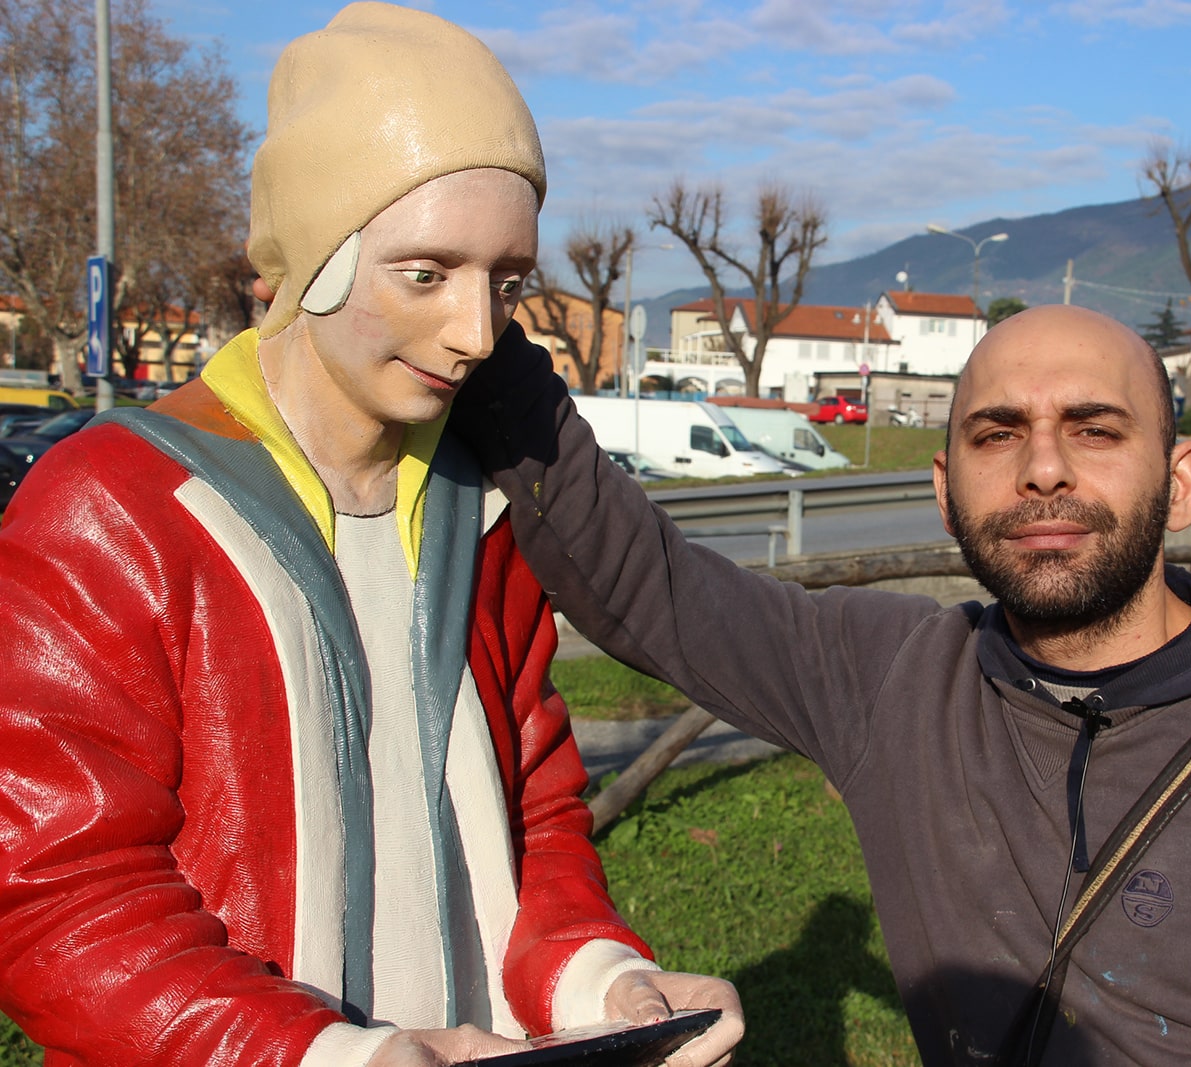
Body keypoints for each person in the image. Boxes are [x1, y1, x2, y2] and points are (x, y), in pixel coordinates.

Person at [452, 304, 1191, 1065]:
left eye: (1094, 429)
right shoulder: (892, 678)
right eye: (1000, 434)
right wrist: (476, 327)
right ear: (945, 491)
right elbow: (645, 583)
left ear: (1180, 482)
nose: (1044, 466)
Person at [0, 5, 740, 1066]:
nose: (478, 332)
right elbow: (51, 897)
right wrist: (330, 1053)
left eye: (507, 279)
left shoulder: (478, 510)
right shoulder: (114, 509)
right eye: (427, 272)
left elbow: (536, 814)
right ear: (317, 256)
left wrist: (603, 979)